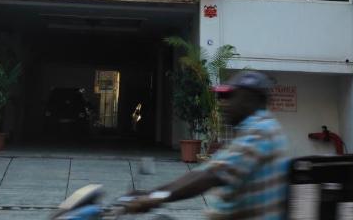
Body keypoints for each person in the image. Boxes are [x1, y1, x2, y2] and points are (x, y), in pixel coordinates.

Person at [124, 70, 289, 220]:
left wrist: (155, 198)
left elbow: (212, 176)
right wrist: (150, 193)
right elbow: (201, 172)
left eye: (229, 97)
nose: (222, 104)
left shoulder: (261, 131)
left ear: (250, 100)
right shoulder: (249, 131)